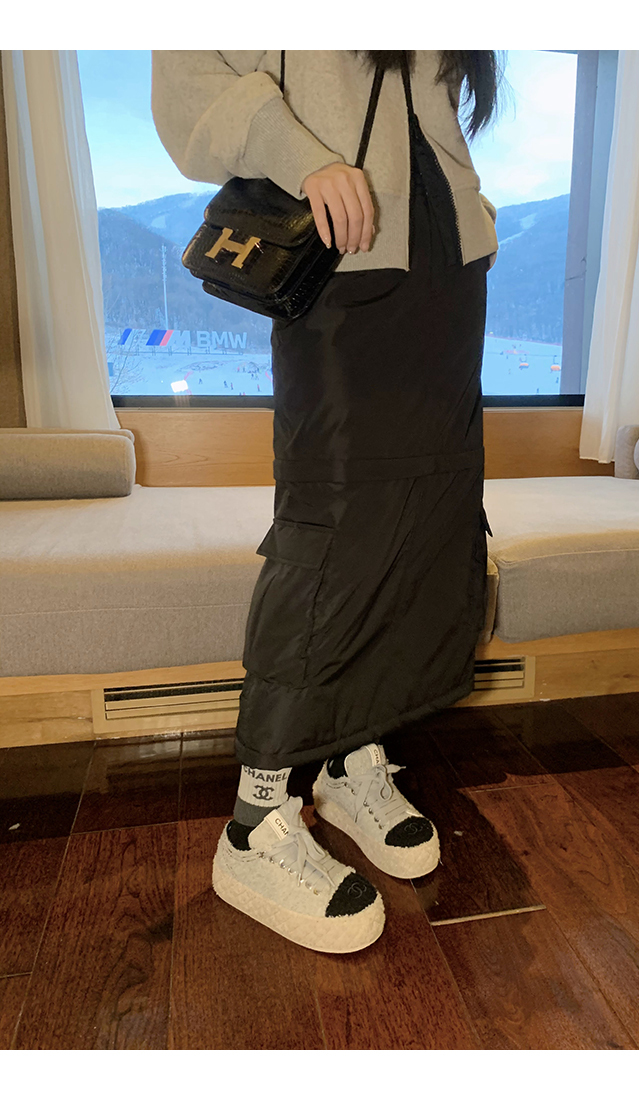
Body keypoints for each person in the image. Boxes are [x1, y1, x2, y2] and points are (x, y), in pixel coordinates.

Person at [151, 50, 507, 954]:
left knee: (430, 516)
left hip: (447, 261)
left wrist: (469, 206)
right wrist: (301, 154)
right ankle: (254, 825)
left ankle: (353, 755)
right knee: (332, 529)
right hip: (338, 253)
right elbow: (190, 79)